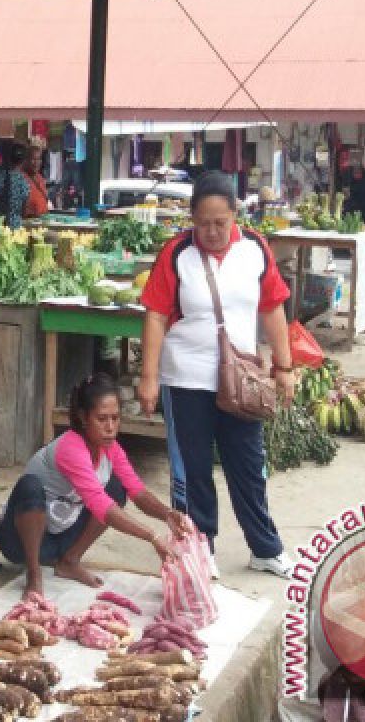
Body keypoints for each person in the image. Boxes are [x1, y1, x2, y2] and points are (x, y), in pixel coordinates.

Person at [138, 170, 295, 579]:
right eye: (203, 223)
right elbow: (155, 316)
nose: (211, 232)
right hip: (185, 379)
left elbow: (274, 307)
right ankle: (199, 548)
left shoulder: (256, 249)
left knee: (248, 465)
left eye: (220, 223)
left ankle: (265, 548)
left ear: (235, 215)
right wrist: (149, 376)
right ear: (191, 219)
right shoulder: (176, 253)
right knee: (192, 471)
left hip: (241, 379)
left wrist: (284, 366)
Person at [0, 374, 189, 601]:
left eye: (115, 418)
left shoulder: (111, 448)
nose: (110, 427)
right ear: (83, 417)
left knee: (116, 489)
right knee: (29, 487)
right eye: (102, 419)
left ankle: (69, 561)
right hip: (17, 542)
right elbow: (100, 504)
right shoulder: (71, 446)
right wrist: (153, 537)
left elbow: (137, 492)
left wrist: (168, 514)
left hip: (60, 538)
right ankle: (34, 574)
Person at [0, 141, 31, 229]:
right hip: (15, 226)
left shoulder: (2, 176)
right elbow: (25, 208)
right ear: (23, 161)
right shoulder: (24, 182)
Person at [23, 136, 50, 219]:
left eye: (38, 159)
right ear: (26, 159)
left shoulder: (40, 178)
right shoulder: (20, 178)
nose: (36, 163)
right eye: (33, 159)